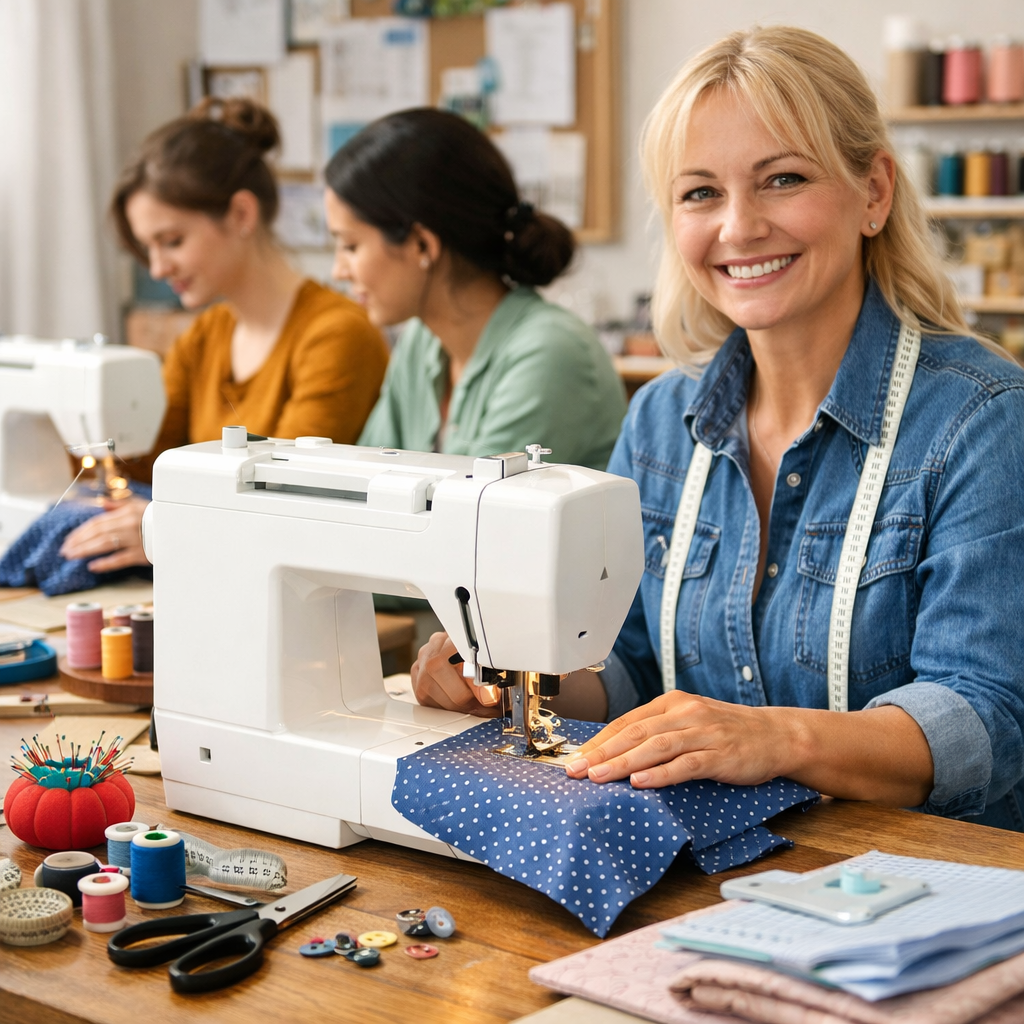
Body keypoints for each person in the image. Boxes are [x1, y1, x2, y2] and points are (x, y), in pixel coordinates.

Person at [410, 27, 1024, 831]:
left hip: (928, 879)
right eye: (700, 193)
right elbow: (630, 666)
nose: (739, 227)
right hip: (719, 865)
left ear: (874, 192)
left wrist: (772, 738)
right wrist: (517, 681)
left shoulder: (982, 419)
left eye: (783, 179)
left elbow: (987, 720)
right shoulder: (662, 421)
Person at [60, 98, 389, 573]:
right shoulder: (205, 337)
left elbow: (281, 498)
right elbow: (143, 463)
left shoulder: (336, 336)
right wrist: (54, 438)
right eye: (149, 248)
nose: (158, 268)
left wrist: (166, 525)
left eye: (172, 241)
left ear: (240, 214)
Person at [323, 108, 627, 470]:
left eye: (350, 246)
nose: (338, 271)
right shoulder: (421, 341)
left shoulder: (549, 352)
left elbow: (474, 504)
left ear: (422, 245)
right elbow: (363, 480)